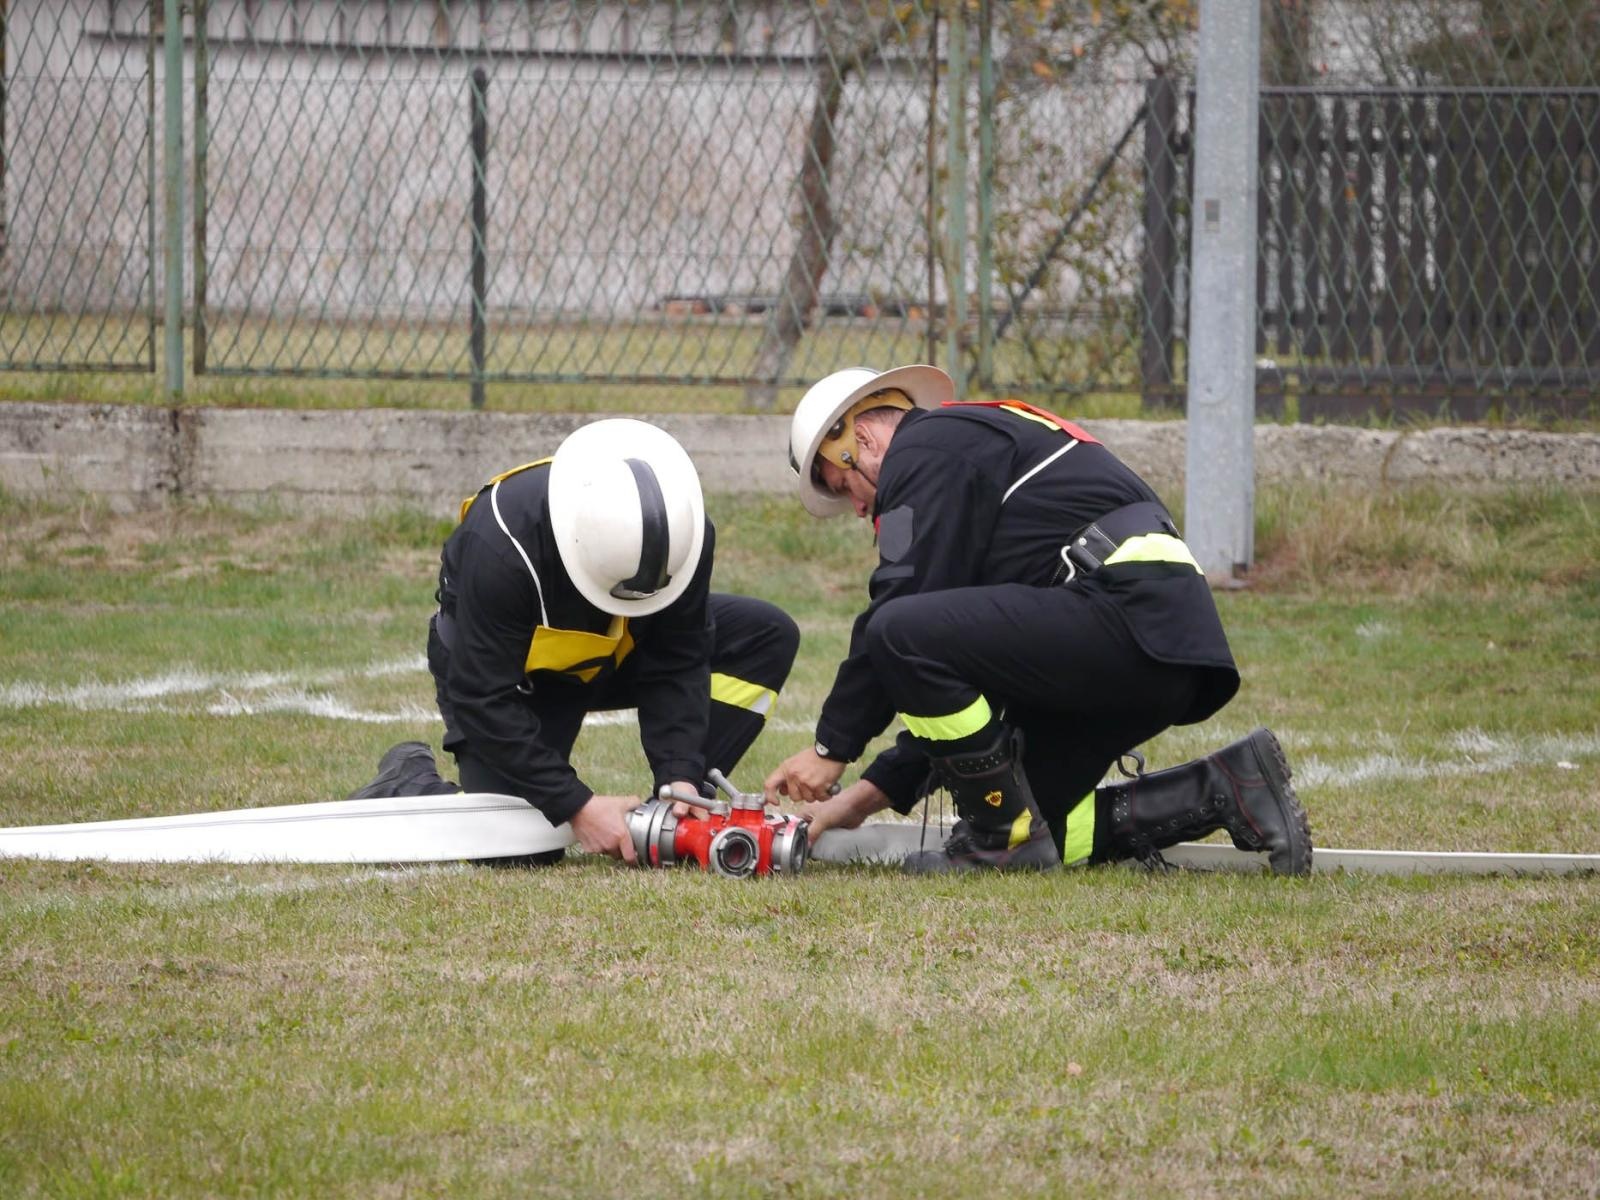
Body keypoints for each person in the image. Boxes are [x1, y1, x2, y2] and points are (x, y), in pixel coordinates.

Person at [763, 365, 1312, 875]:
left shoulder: (924, 446)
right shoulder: (970, 449)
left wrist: (829, 750)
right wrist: (855, 803)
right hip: (1154, 638)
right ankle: (1227, 786)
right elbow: (955, 700)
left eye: (844, 486)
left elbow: (899, 614)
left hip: (1118, 616)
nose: (858, 509)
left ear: (859, 441)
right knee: (1038, 831)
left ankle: (1001, 836)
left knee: (897, 628)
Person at [349, 418, 799, 864]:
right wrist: (575, 806)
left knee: (764, 634)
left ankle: (674, 818)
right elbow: (482, 697)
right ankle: (408, 782)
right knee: (518, 852)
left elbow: (677, 659)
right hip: (513, 681)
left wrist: (681, 773)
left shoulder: (686, 536)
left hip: (608, 654)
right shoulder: (499, 547)